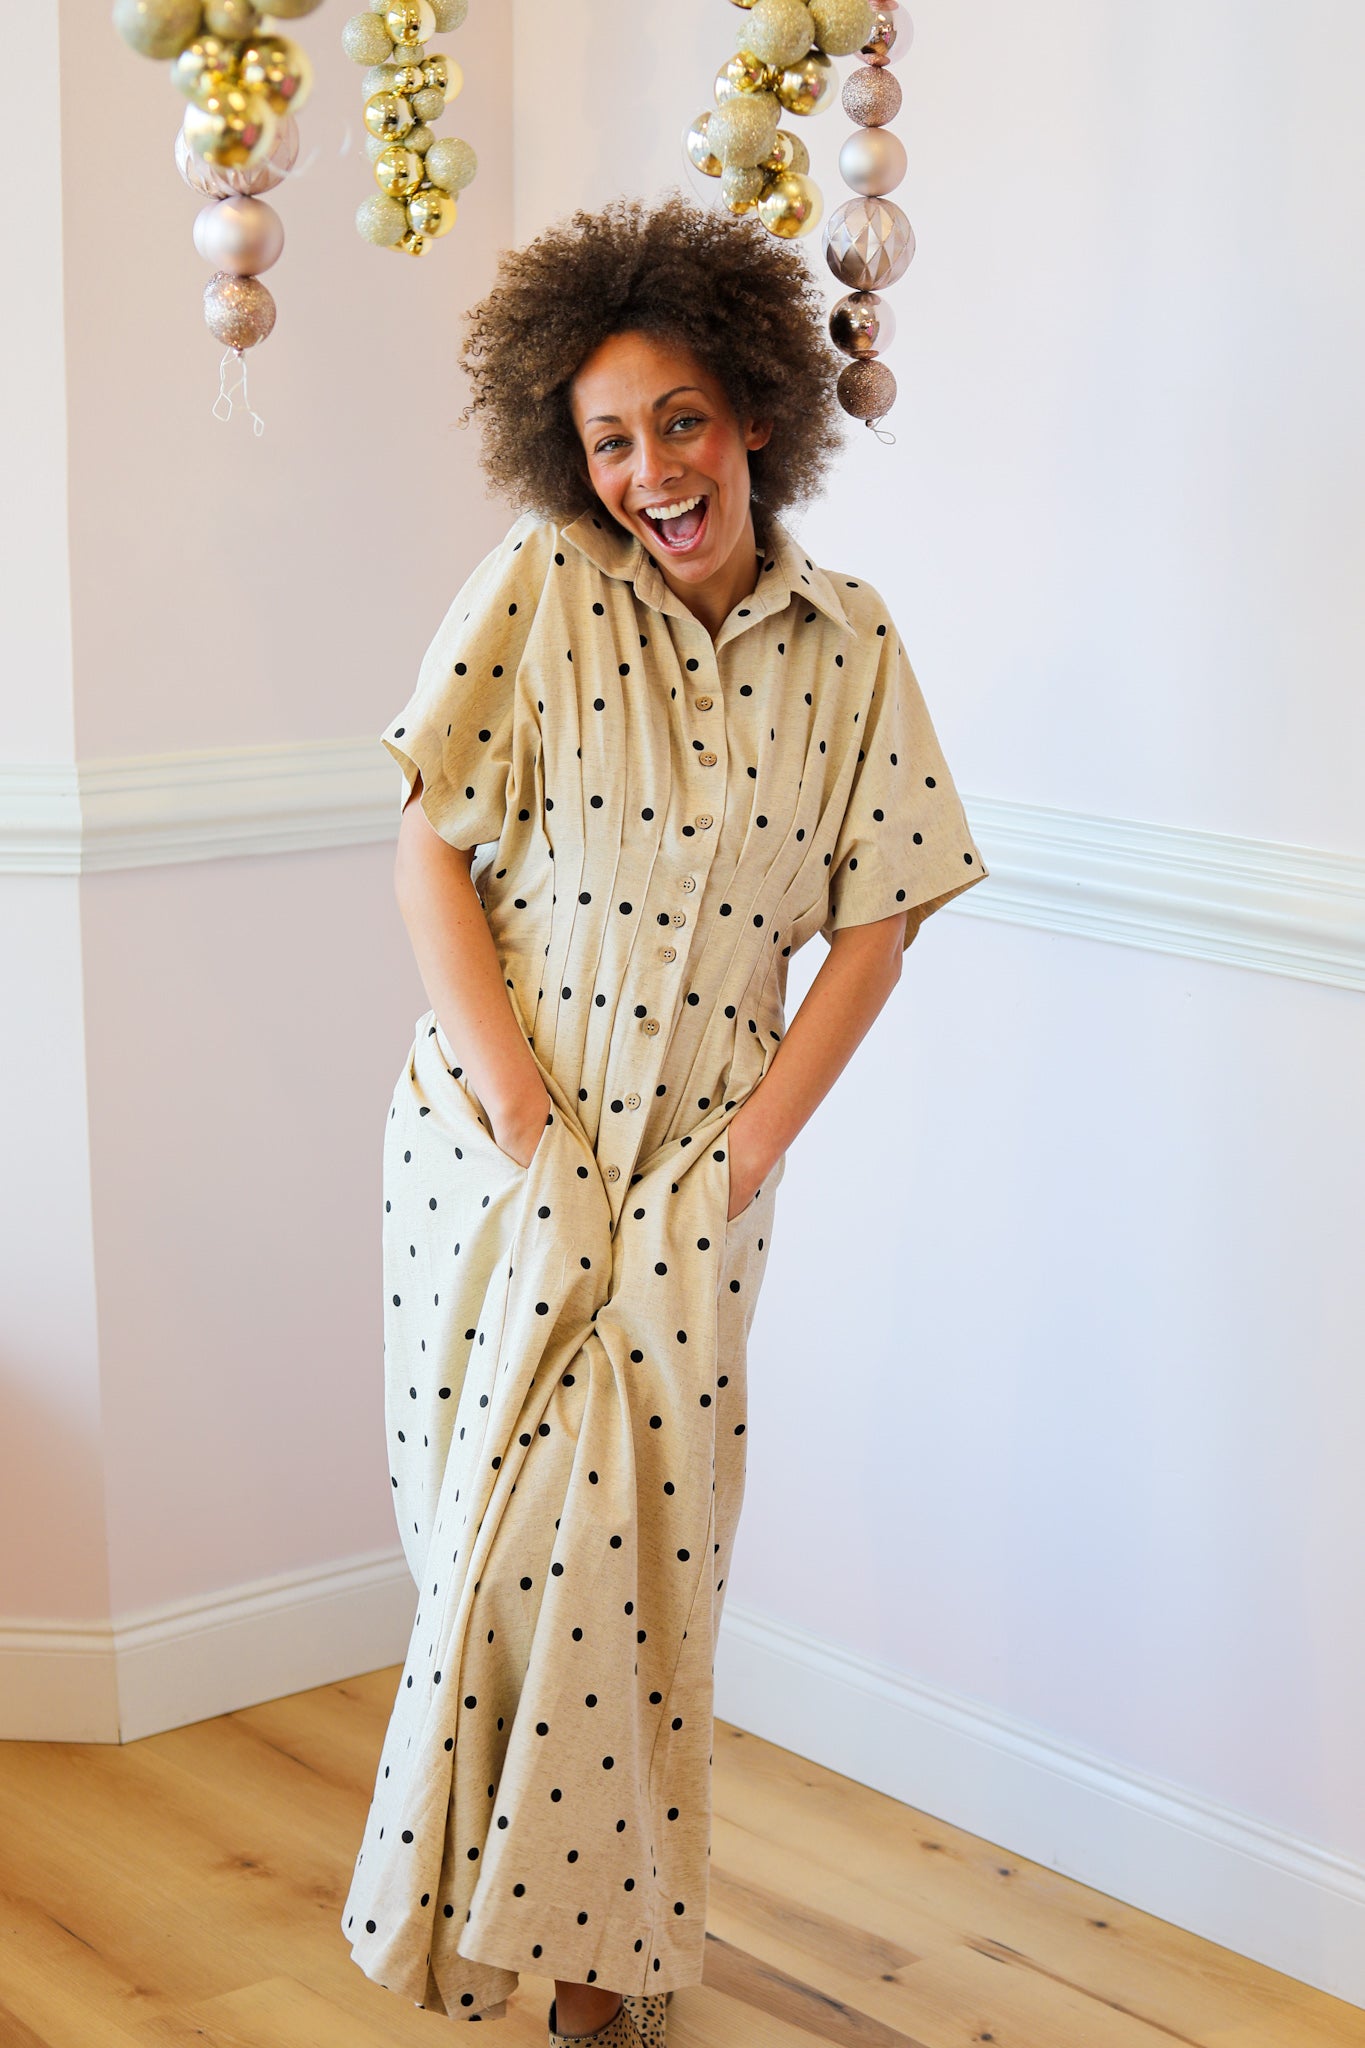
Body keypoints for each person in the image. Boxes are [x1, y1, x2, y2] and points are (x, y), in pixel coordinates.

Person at [341, 190, 989, 2043]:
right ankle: (490, 1936)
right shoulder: (538, 589)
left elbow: (878, 927)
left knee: (635, 1573)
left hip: (698, 1171)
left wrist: (750, 1150)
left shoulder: (850, 644)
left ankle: (589, 1970)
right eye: (610, 439)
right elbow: (426, 848)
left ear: (756, 413)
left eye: (681, 423)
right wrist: (514, 1106)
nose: (649, 472)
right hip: (500, 1149)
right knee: (493, 1551)